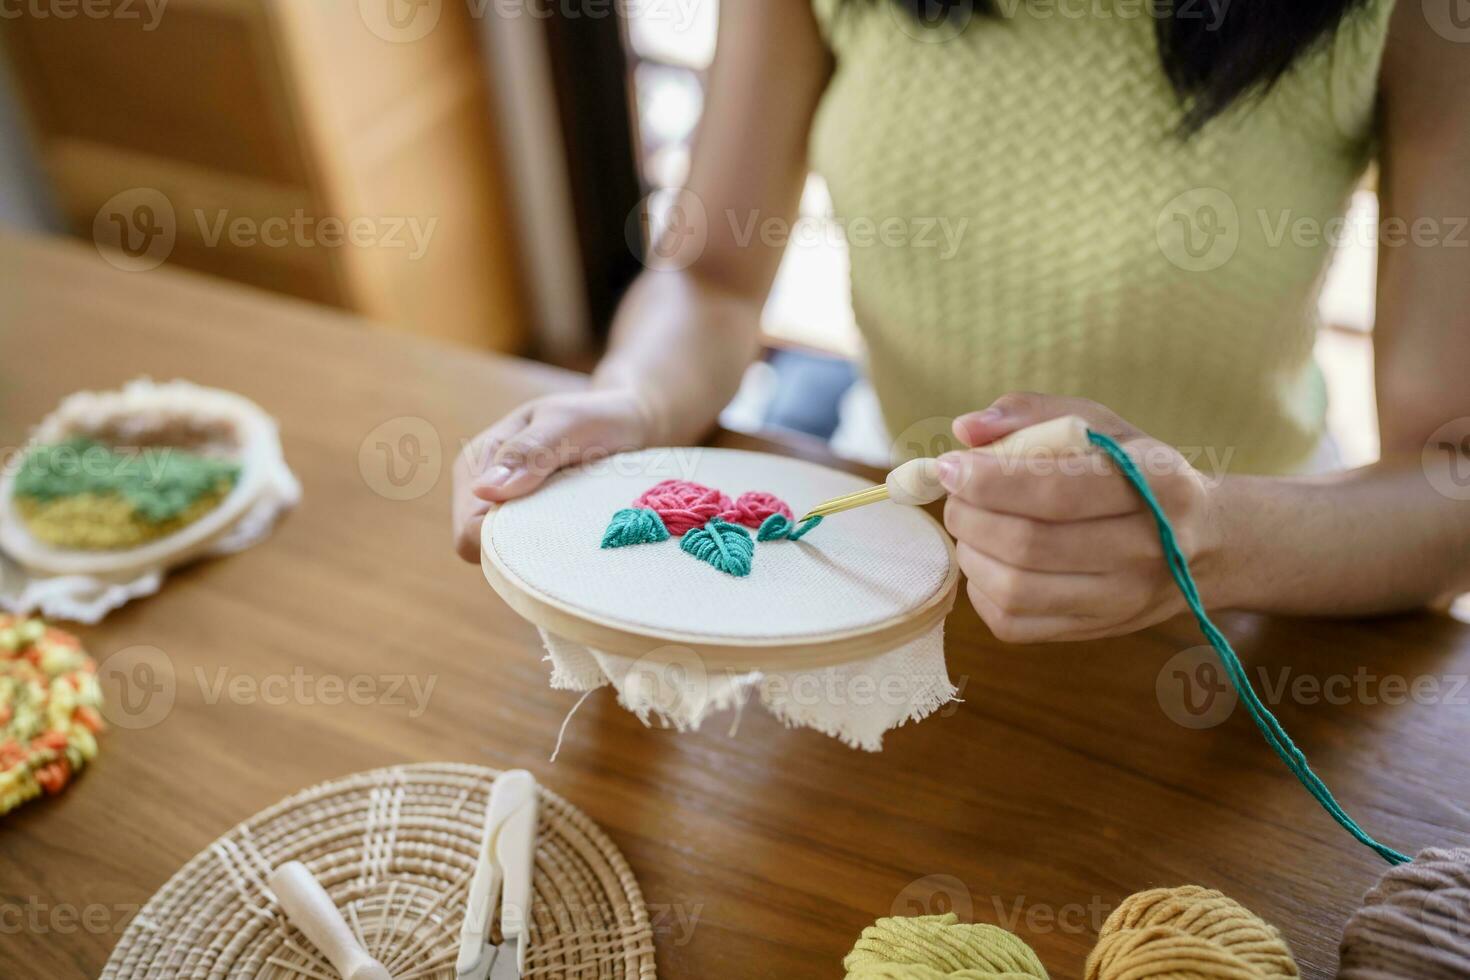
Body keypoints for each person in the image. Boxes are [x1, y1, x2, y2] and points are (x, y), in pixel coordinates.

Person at [454, 0, 1470, 642]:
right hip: (887, 545)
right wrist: (630, 397)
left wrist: (1207, 536)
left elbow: (1448, 477)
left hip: (1256, 593)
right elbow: (713, 279)